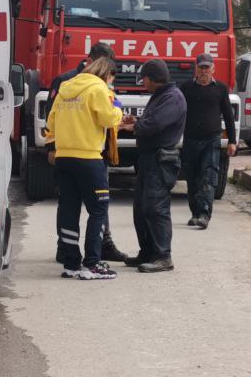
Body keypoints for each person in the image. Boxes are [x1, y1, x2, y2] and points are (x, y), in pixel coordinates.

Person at [46, 55, 133, 280]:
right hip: (89, 158)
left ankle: (71, 263)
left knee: (69, 210)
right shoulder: (99, 89)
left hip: (64, 157)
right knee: (98, 210)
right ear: (108, 74)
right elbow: (108, 118)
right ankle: (93, 263)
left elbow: (51, 121)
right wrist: (117, 108)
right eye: (112, 79)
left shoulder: (65, 87)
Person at [124, 59, 186, 273]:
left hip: (161, 160)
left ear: (152, 78)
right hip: (149, 159)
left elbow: (155, 124)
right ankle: (148, 252)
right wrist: (137, 120)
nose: (143, 83)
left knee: (156, 208)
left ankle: (163, 256)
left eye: (144, 79)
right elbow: (151, 120)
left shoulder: (172, 98)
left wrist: (136, 126)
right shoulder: (160, 97)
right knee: (141, 209)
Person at [179, 53, 237, 229]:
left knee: (208, 176)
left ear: (213, 68)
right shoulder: (186, 88)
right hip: (190, 140)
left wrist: (232, 141)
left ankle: (205, 213)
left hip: (211, 139)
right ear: (196, 69)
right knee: (192, 178)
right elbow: (178, 113)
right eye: (201, 67)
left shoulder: (220, 88)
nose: (204, 71)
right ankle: (195, 213)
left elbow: (228, 116)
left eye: (207, 67)